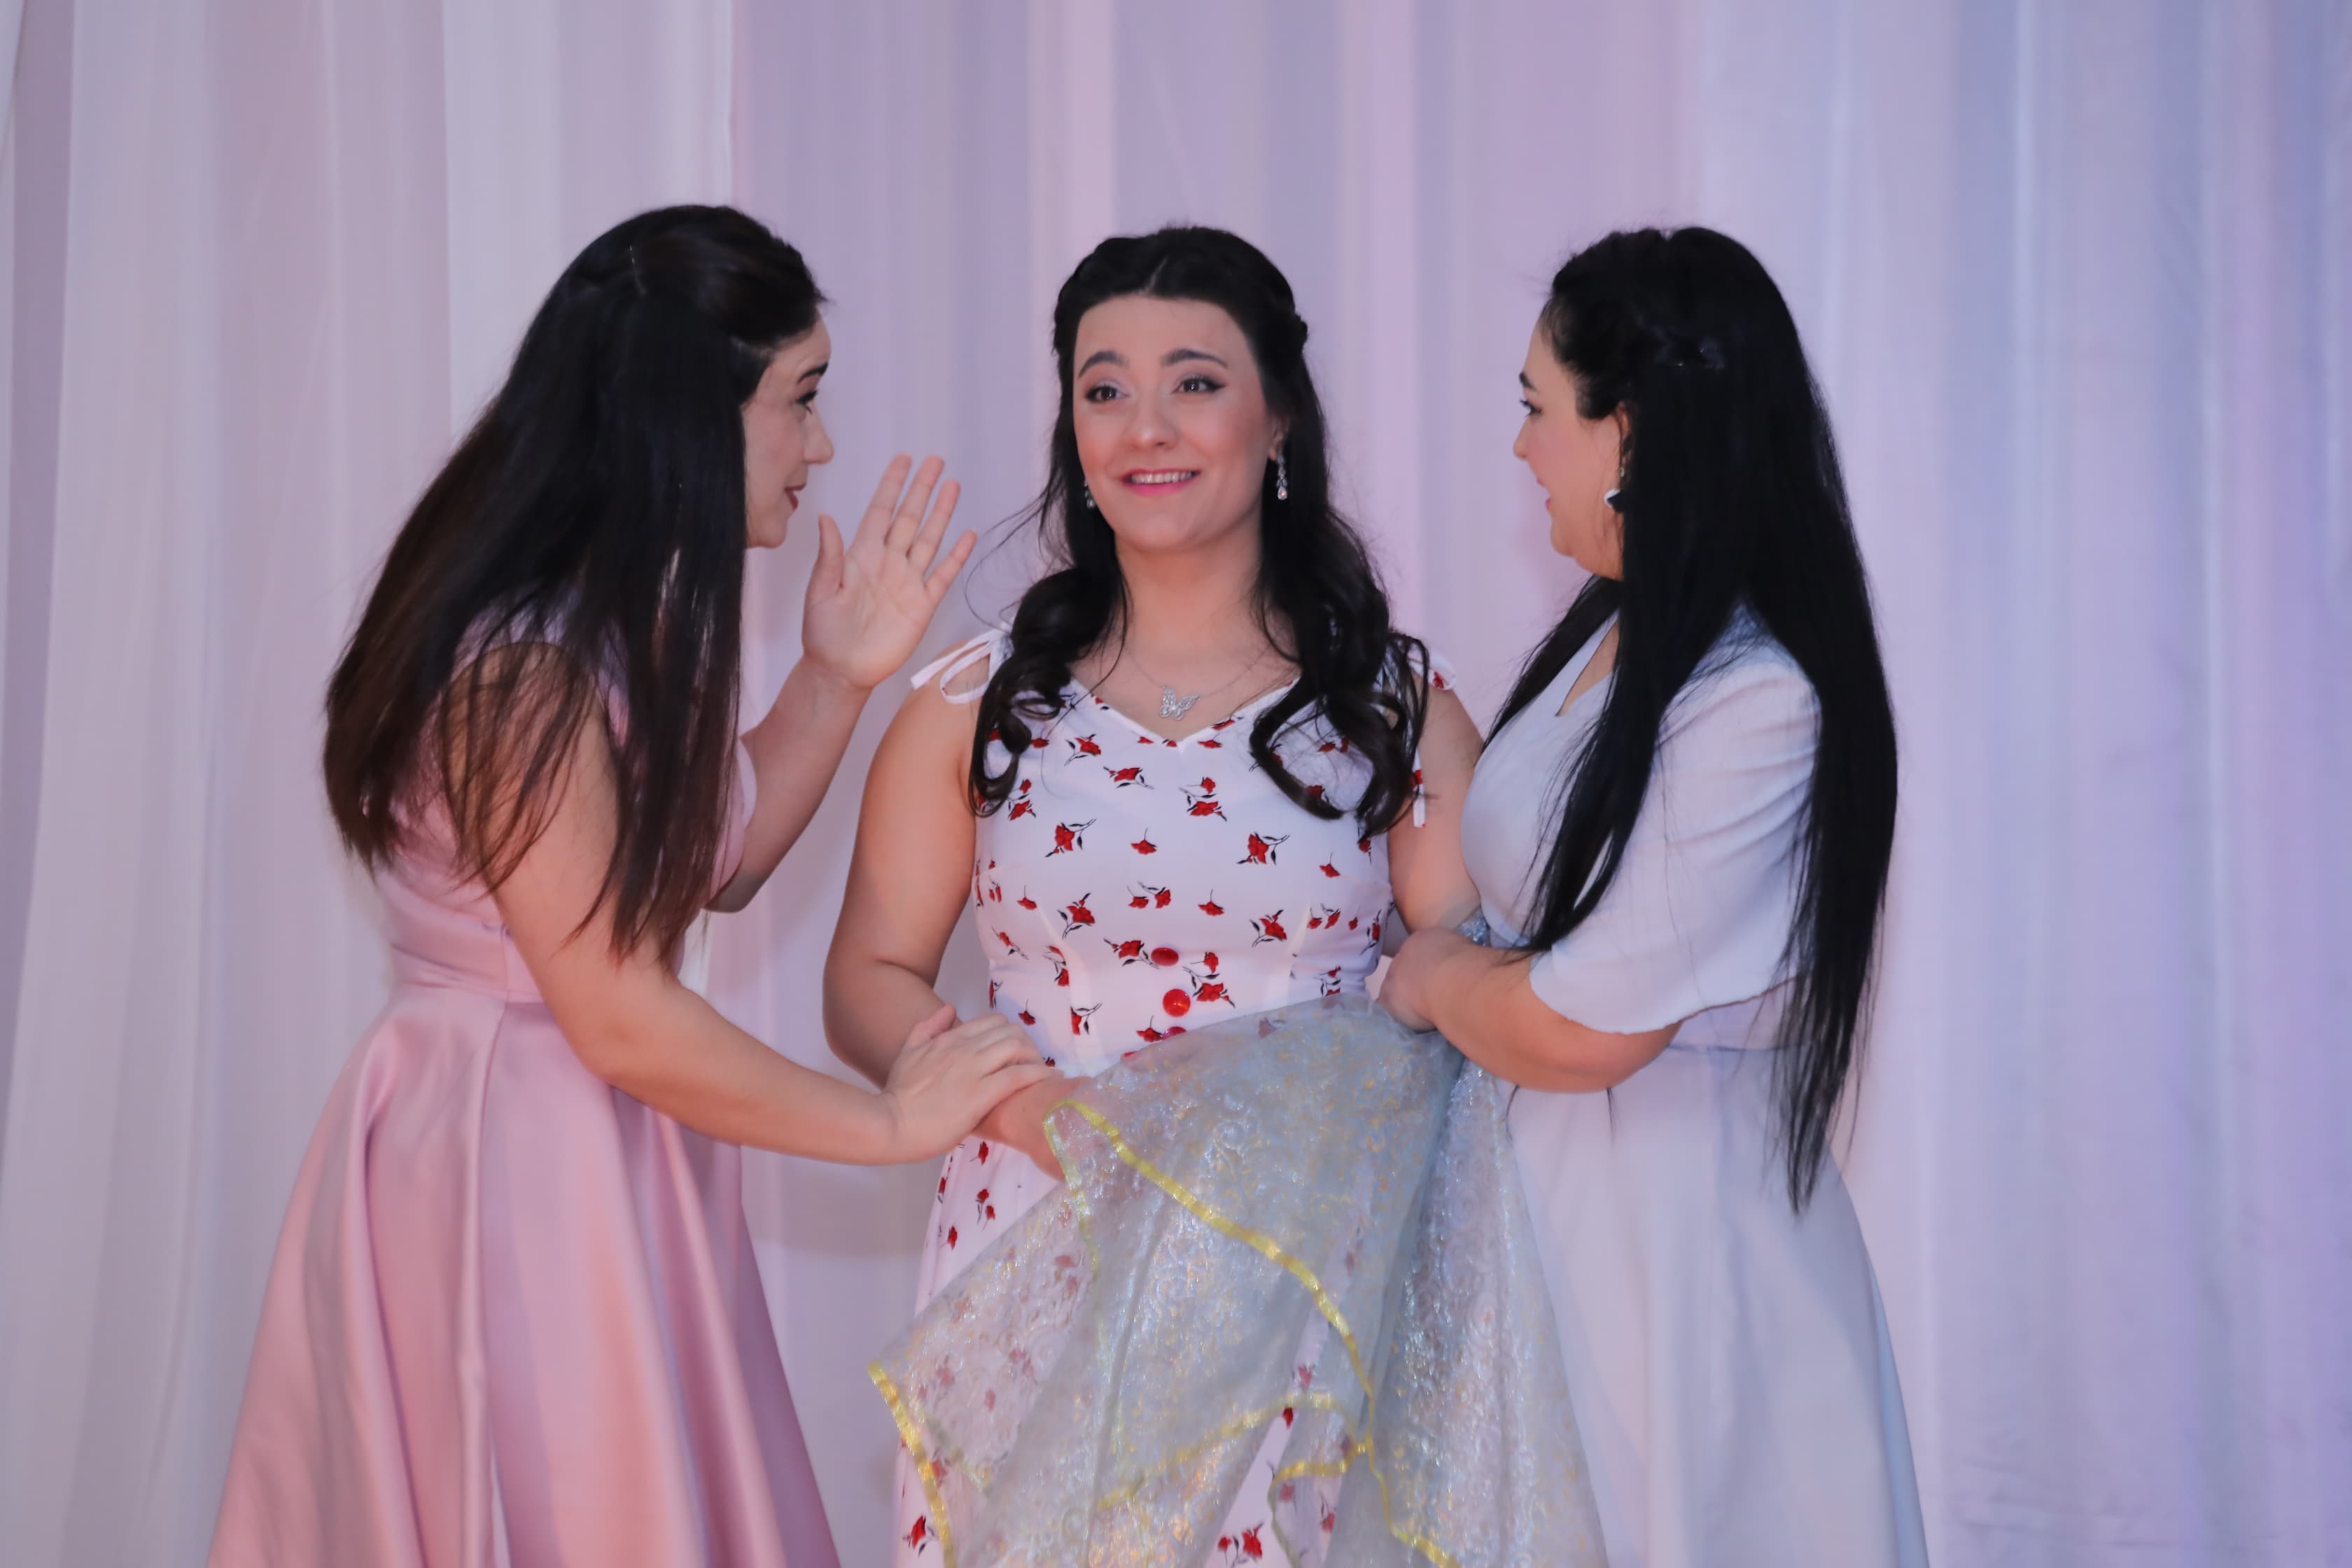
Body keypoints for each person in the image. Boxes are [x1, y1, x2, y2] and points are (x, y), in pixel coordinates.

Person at [208, 205, 1052, 1568]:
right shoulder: (522, 675)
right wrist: (892, 1123)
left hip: (589, 1137)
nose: (821, 446)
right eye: (802, 398)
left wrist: (836, 675)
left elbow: (712, 868)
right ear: (692, 415)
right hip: (519, 1159)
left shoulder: (591, 623)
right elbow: (615, 1012)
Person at [821, 225, 1483, 1565]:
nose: (1146, 427)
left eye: (1194, 382)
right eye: (1105, 388)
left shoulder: (1392, 703)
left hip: (1301, 1262)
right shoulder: (977, 700)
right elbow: (867, 977)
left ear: (1278, 417)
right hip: (1035, 1240)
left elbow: (1462, 986)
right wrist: (1019, 1108)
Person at [1380, 225, 1929, 1567]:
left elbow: (1584, 1029)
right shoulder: (1620, 628)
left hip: (1667, 1267)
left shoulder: (1758, 697)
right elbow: (1505, 901)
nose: (1521, 447)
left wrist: (1435, 980)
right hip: (1538, 1214)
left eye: (1537, 408)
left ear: (1626, 430)